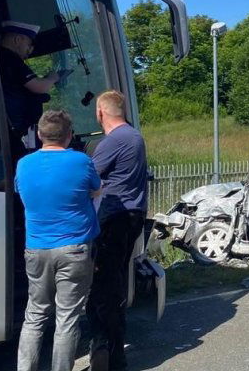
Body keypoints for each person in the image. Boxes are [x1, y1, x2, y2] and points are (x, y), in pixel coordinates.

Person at [15, 110, 102, 371]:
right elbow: (97, 189)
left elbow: (22, 191)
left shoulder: (24, 164)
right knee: (67, 317)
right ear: (69, 135)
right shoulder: (80, 161)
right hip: (74, 249)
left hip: (36, 248)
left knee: (35, 315)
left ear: (40, 135)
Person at [87, 90, 149, 371]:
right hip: (134, 215)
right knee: (117, 280)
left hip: (114, 218)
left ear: (100, 113)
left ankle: (110, 352)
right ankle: (113, 348)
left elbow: (88, 177)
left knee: (104, 287)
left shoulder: (112, 142)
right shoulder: (134, 136)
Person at [0, 20, 71, 155]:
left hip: (6, 129)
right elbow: (39, 87)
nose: (30, 50)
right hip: (7, 130)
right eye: (29, 44)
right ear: (18, 39)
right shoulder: (10, 58)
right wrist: (53, 77)